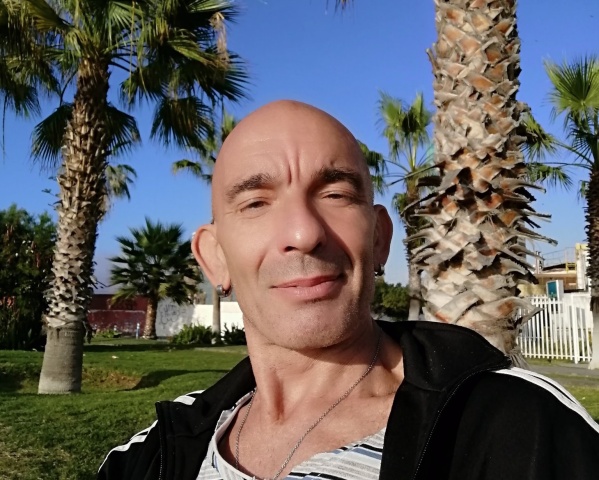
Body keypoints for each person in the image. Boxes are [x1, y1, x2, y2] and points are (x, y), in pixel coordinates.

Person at [98, 100, 599, 480]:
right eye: (255, 203)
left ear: (379, 238)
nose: (303, 233)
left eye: (335, 194)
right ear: (214, 257)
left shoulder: (522, 428)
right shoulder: (154, 452)